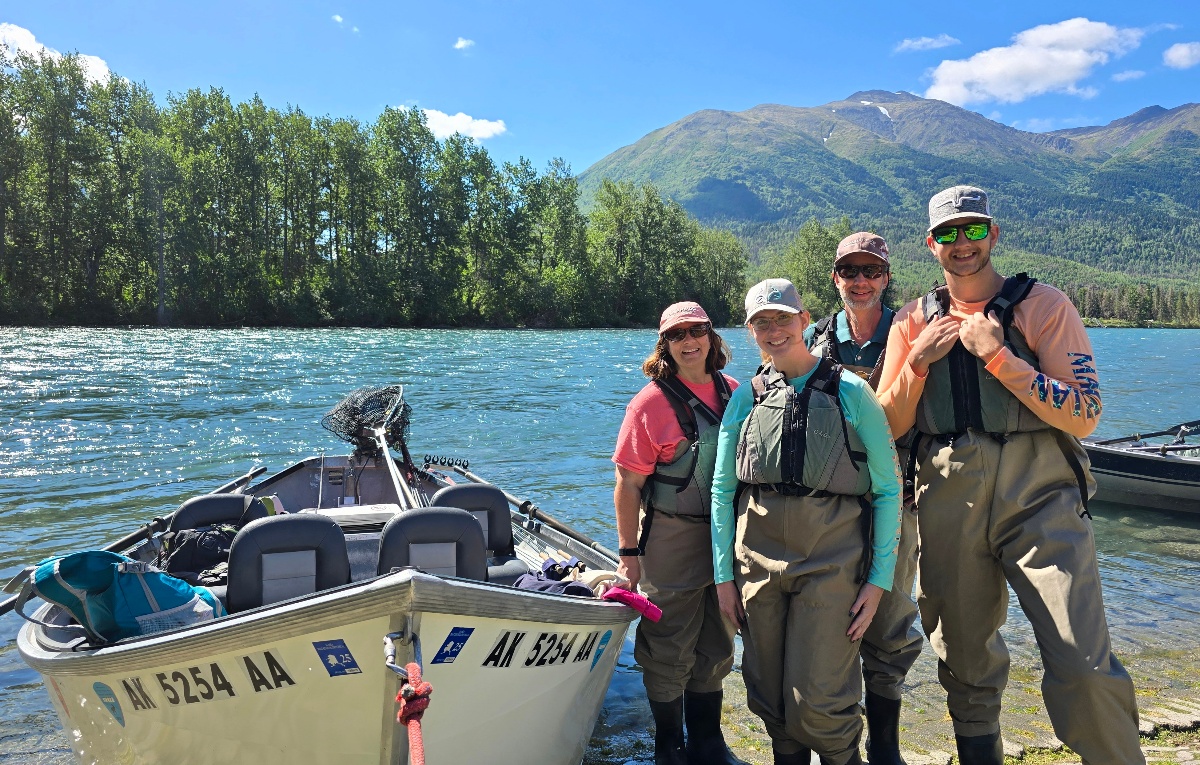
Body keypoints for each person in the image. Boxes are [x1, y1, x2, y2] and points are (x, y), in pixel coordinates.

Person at [876, 185, 1144, 765]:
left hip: (1041, 495)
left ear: (994, 234)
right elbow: (888, 424)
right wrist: (918, 363)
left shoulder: (1044, 307)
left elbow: (1085, 414)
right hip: (946, 498)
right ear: (931, 245)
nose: (962, 243)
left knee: (1082, 661)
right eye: (948, 234)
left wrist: (1001, 358)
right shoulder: (909, 321)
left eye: (973, 230)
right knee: (965, 663)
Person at [710, 279, 902, 765]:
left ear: (805, 319)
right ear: (751, 330)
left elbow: (887, 490)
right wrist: (723, 577)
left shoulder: (852, 392)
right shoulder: (745, 397)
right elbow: (722, 490)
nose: (774, 331)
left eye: (783, 319)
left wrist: (878, 581)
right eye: (761, 323)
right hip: (755, 563)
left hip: (831, 564)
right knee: (770, 699)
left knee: (820, 703)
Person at [804, 232, 922, 765]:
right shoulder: (812, 338)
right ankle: (833, 738)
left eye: (871, 271)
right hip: (828, 504)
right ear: (836, 278)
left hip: (896, 500)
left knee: (892, 617)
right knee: (831, 615)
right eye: (850, 271)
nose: (861, 281)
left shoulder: (908, 331)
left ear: (886, 277)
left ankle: (887, 748)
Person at [612, 301, 744, 765]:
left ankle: (709, 743)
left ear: (712, 337)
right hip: (670, 538)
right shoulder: (648, 403)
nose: (689, 341)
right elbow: (628, 484)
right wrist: (629, 553)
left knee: (718, 641)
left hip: (726, 539)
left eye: (697, 331)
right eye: (677, 335)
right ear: (665, 345)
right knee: (668, 646)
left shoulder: (736, 392)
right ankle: (668, 747)